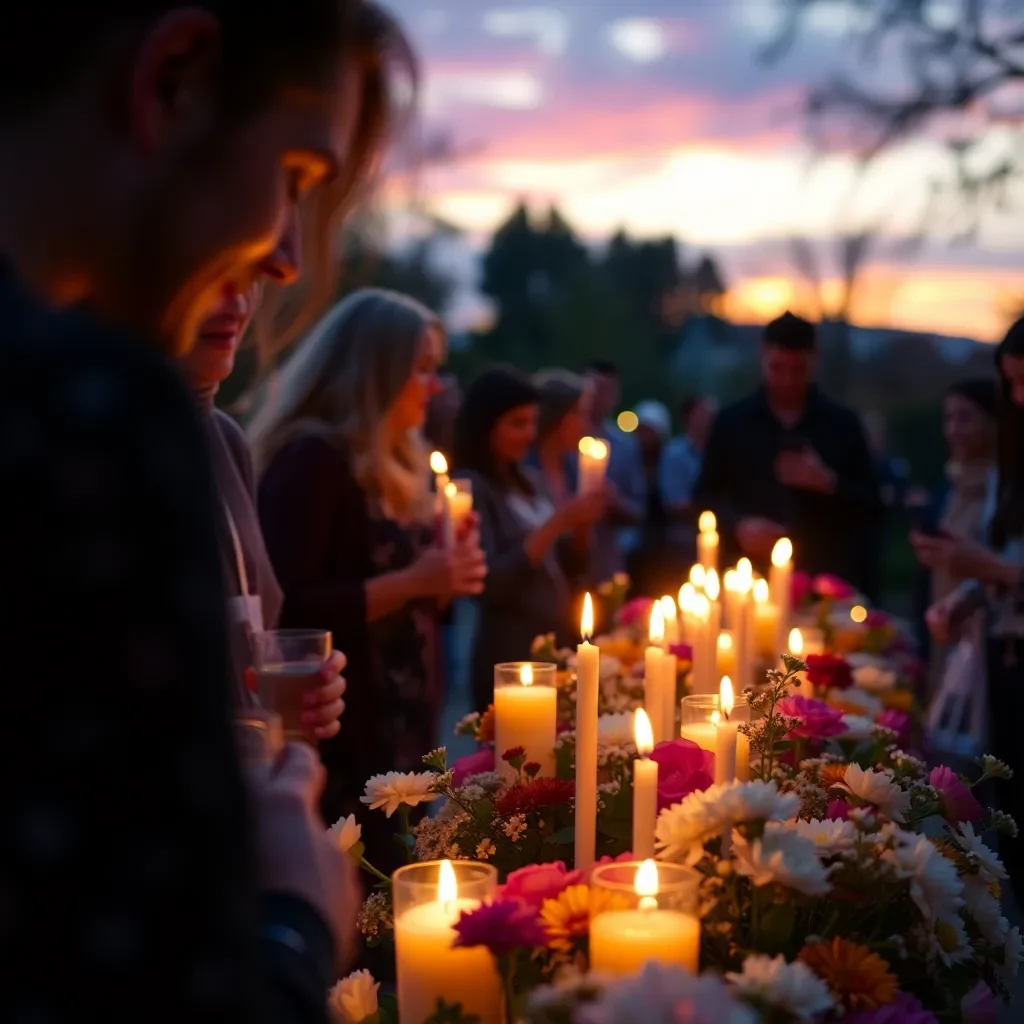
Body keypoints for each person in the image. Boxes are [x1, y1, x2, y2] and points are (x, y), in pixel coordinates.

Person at [0, 2, 409, 1019]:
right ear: (172, 79)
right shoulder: (79, 414)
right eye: (296, 177)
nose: (280, 258)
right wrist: (289, 914)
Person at [252, 288, 486, 869]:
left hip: (399, 728)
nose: (434, 388)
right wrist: (414, 580)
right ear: (375, 371)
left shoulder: (393, 464)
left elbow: (411, 602)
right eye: (422, 369)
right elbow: (290, 611)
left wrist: (442, 575)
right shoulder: (312, 460)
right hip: (342, 739)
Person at [180, 278, 348, 736]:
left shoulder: (227, 440)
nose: (236, 298)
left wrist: (306, 699)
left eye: (248, 273)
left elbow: (254, 632)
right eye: (214, 267)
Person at [916, 319, 1024, 888]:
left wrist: (989, 571)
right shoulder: (1009, 469)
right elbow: (1001, 557)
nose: (1022, 399)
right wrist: (968, 594)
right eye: (1013, 386)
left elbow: (1004, 563)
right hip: (1002, 656)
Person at [454, 366, 607, 712]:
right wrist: (558, 522)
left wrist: (582, 524)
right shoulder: (472, 488)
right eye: (517, 424)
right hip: (510, 652)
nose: (529, 434)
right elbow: (491, 583)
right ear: (486, 426)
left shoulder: (529, 480)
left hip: (551, 644)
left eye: (532, 423)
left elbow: (568, 566)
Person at [694, 312, 881, 589]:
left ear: (814, 359)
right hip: (748, 580)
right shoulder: (732, 422)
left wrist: (828, 483)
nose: (787, 381)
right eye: (777, 368)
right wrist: (738, 526)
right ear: (762, 356)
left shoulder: (843, 425)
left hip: (825, 583)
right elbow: (703, 496)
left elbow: (873, 506)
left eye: (798, 370)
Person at [910, 379, 997, 674]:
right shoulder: (947, 484)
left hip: (987, 637)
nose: (953, 430)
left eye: (965, 418)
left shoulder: (1002, 491)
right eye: (948, 418)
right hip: (940, 624)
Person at [585, 360, 646, 581]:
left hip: (607, 559)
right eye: (595, 390)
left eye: (607, 391)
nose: (600, 398)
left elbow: (638, 510)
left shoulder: (625, 446)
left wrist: (615, 502)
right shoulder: (563, 441)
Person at [659, 396, 717, 554]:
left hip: (718, 540)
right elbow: (674, 503)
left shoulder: (720, 453)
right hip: (682, 542)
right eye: (703, 414)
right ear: (687, 418)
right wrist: (712, 509)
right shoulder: (674, 454)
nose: (709, 420)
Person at [532, 369, 591, 502]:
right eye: (580, 414)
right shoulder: (522, 471)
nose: (586, 425)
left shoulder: (575, 469)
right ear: (556, 416)